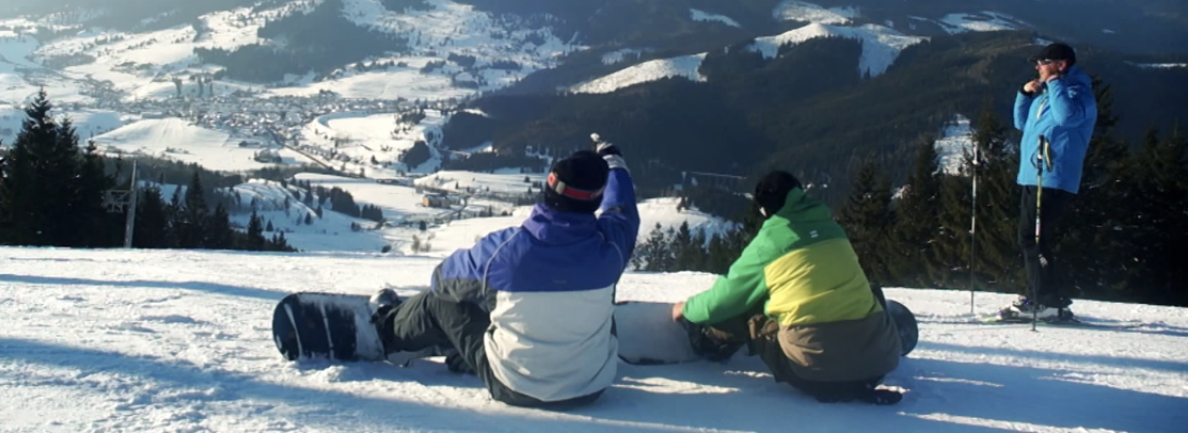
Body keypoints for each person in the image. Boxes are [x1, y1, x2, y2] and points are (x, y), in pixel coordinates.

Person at [371, 139, 639, 407]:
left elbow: (442, 280)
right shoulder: (612, 247)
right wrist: (612, 162)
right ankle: (469, 354)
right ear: (596, 200)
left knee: (439, 301)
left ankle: (386, 332)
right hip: (591, 387)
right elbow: (622, 209)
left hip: (513, 387)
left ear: (548, 187)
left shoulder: (502, 252)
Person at [670, 170, 901, 404]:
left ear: (765, 210)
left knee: (750, 307)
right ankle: (869, 340)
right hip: (879, 365)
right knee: (866, 289)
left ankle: (710, 341)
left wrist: (686, 309)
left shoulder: (770, 242)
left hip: (813, 372)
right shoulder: (834, 230)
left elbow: (724, 300)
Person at [1002, 41, 1097, 322]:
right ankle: (1045, 296)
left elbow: (1067, 118)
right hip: (1035, 175)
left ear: (1061, 64)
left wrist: (1054, 84)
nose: (1037, 67)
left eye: (1043, 63)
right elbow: (1022, 124)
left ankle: (1044, 300)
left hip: (1054, 177)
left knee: (1033, 238)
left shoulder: (1079, 94)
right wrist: (1024, 94)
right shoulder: (1049, 94)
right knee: (1031, 238)